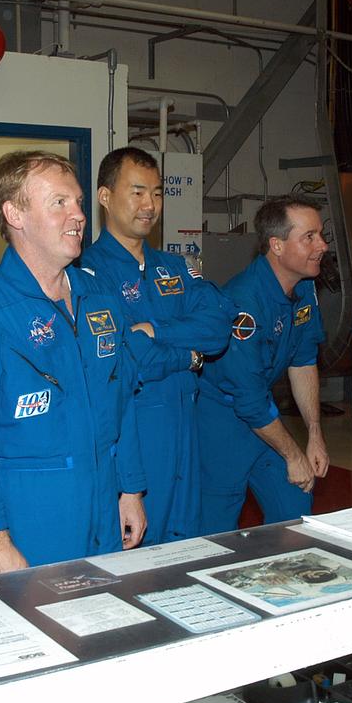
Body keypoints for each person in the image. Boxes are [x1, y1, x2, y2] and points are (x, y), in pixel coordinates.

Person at [0, 151, 147, 573]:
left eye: (79, 202)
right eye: (60, 203)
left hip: (103, 503)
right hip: (30, 519)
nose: (79, 215)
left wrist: (131, 490)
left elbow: (122, 398)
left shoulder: (98, 297)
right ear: (15, 214)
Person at [79, 147, 233, 543]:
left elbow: (218, 327)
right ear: (105, 197)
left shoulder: (175, 267)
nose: (150, 205)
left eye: (158, 193)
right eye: (137, 192)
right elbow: (133, 357)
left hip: (186, 432)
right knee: (136, 559)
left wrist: (160, 330)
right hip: (136, 433)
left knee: (185, 553)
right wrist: (191, 356)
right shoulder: (87, 274)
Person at [196, 195, 330, 534]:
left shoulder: (304, 288)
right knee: (217, 529)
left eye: (321, 235)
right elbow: (249, 400)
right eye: (309, 237)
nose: (323, 246)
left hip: (263, 414)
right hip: (220, 423)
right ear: (277, 246)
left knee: (295, 507)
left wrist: (314, 434)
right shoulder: (245, 302)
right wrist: (293, 454)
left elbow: (302, 360)